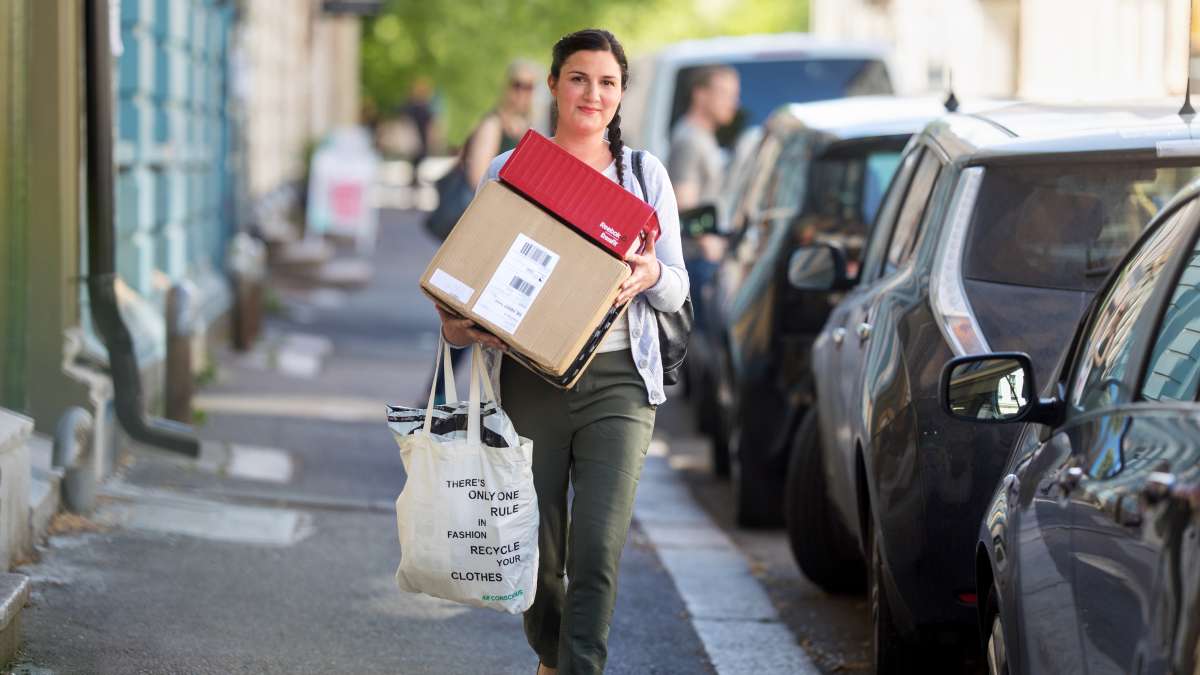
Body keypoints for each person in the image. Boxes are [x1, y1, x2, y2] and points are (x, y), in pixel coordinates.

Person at [433, 29, 688, 675]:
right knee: (538, 556)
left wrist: (651, 273)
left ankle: (579, 668)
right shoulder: (509, 170)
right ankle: (551, 658)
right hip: (529, 382)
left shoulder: (643, 175)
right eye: (578, 78)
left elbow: (679, 286)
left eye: (607, 82)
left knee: (597, 549)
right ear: (553, 85)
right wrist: (460, 327)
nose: (592, 94)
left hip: (620, 384)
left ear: (622, 93)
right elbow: (467, 284)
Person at [666, 64, 739, 331]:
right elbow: (684, 201)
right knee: (702, 345)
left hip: (702, 260)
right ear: (700, 94)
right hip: (696, 260)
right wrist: (709, 243)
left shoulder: (702, 136)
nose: (732, 103)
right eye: (724, 93)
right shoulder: (689, 139)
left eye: (734, 95)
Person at [462, 60, 539, 187]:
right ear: (507, 86)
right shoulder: (492, 125)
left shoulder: (528, 128)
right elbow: (478, 178)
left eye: (528, 87)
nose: (522, 92)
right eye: (517, 85)